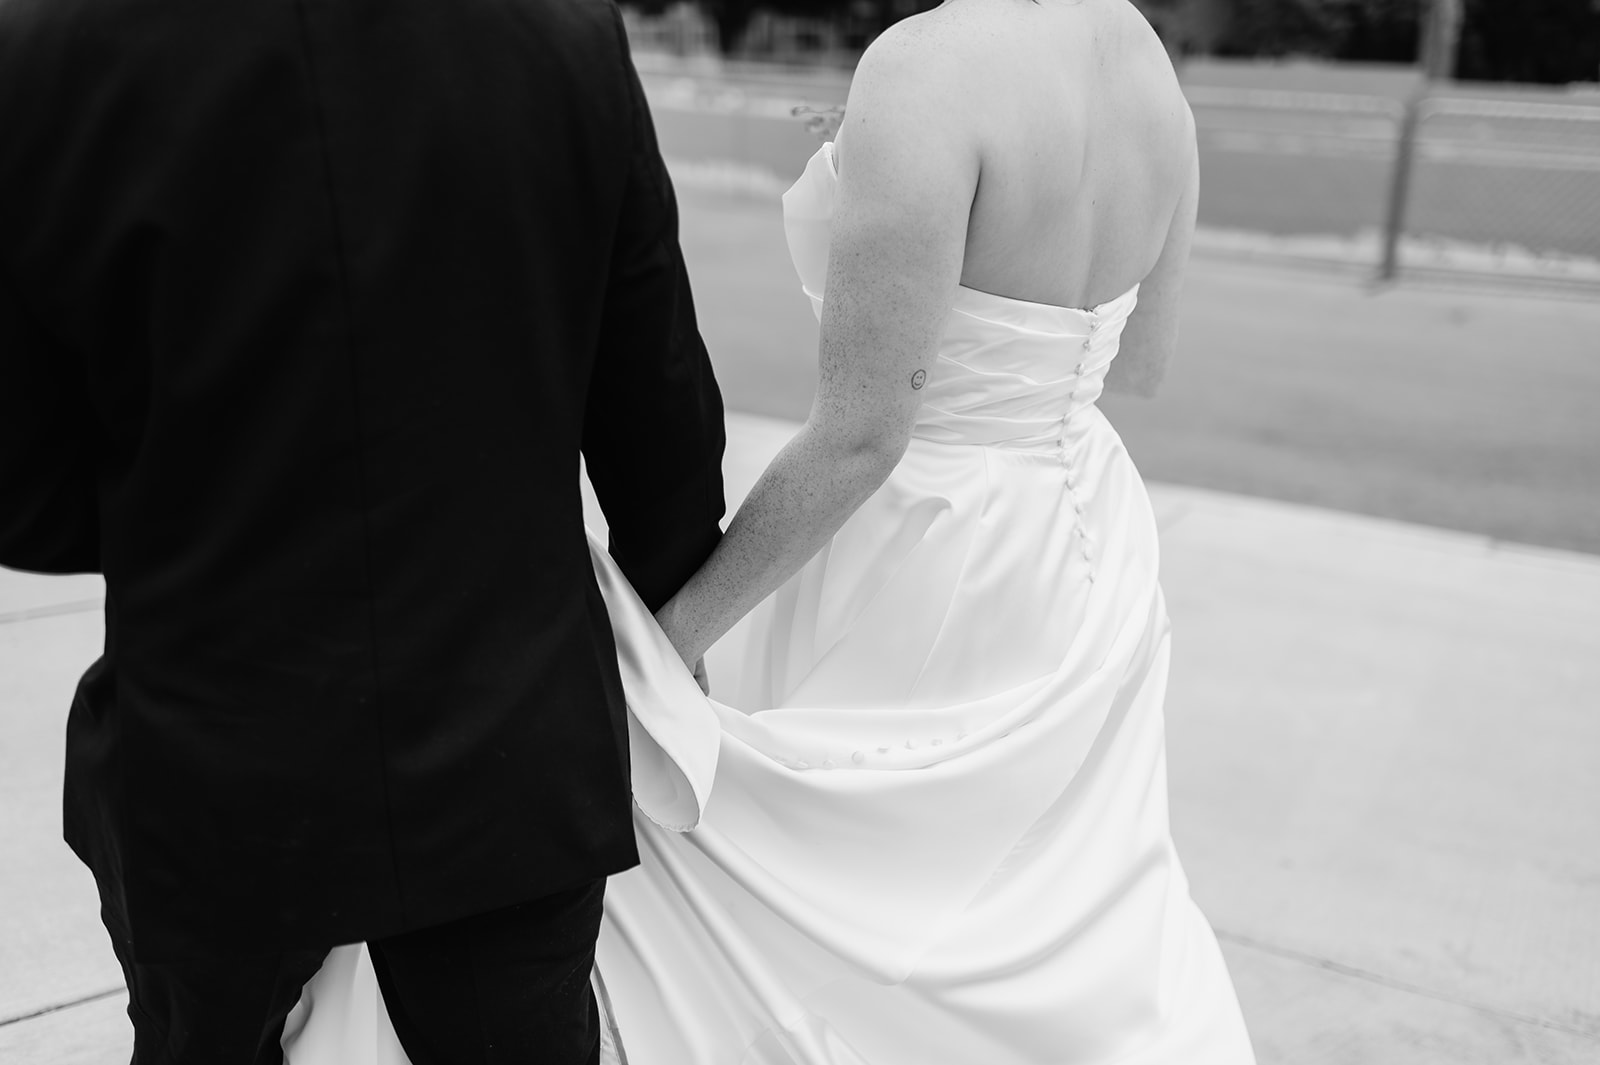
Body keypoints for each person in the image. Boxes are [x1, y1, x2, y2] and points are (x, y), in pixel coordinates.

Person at [292, 0, 1256, 1061]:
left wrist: (664, 646)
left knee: (760, 868)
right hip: (1080, 542)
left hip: (914, 553)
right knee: (1030, 890)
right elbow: (1144, 361)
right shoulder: (1145, 64)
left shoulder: (926, 68)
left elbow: (861, 439)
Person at [0, 0, 725, 1061]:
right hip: (512, 746)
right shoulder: (564, 30)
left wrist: (194, 527)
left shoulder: (44, 47)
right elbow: (660, 429)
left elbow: (24, 482)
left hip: (217, 749)